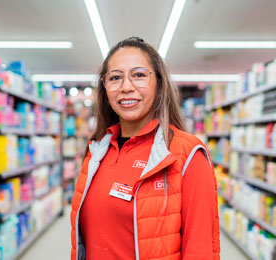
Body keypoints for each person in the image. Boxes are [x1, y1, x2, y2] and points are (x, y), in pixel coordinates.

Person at [70, 37, 220, 260]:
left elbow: (201, 250)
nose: (126, 87)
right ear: (105, 88)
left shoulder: (187, 154)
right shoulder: (96, 152)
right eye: (115, 78)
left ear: (159, 84)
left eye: (139, 75)